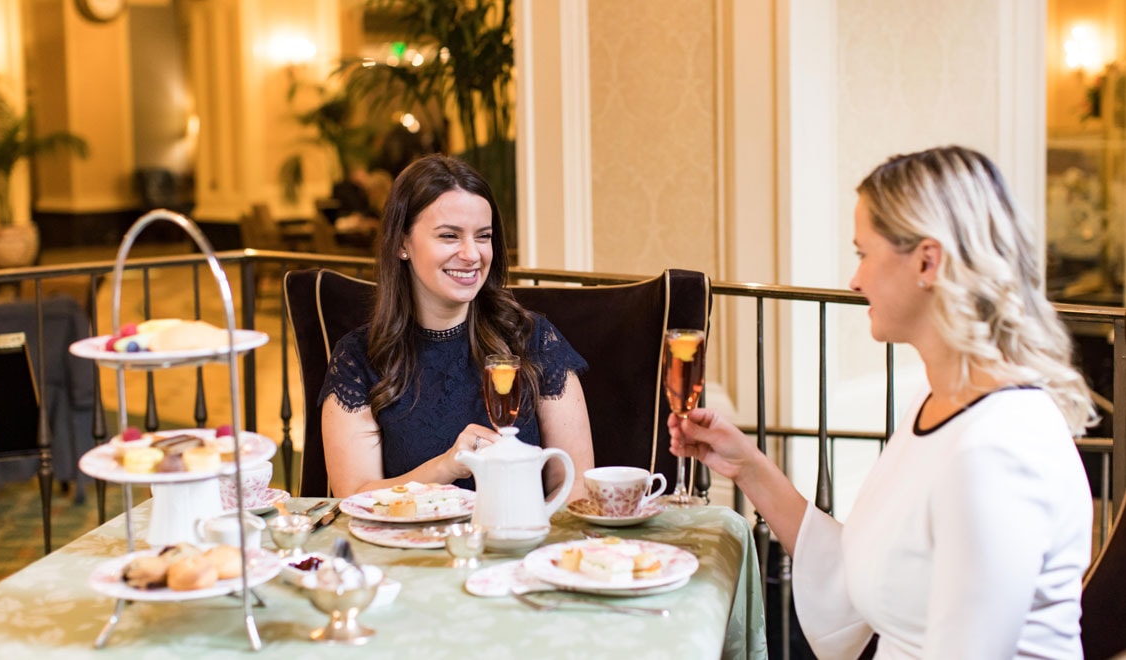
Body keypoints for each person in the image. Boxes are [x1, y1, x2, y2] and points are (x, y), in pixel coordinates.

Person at [670, 146, 1095, 658]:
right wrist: (747, 467)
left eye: (863, 253)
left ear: (927, 261)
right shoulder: (936, 401)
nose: (855, 279)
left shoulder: (996, 450)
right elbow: (865, 569)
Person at [319, 154, 594, 500]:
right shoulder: (359, 358)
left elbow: (576, 486)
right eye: (449, 236)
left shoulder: (532, 339)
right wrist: (446, 467)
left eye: (483, 236)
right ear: (402, 243)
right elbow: (353, 497)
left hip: (517, 550)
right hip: (409, 552)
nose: (471, 254)